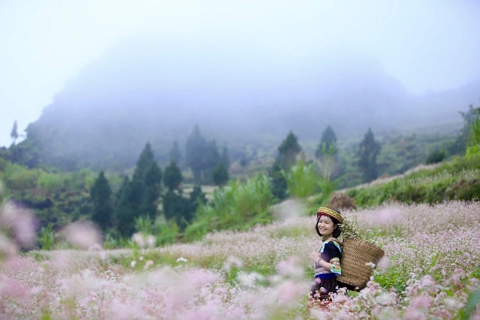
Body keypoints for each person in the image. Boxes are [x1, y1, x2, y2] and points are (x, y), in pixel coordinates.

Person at [309, 207, 343, 301]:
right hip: (324, 286)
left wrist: (318, 260)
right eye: (320, 221)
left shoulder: (330, 244)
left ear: (335, 226)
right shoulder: (329, 243)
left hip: (328, 288)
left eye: (327, 223)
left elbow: (336, 268)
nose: (322, 225)